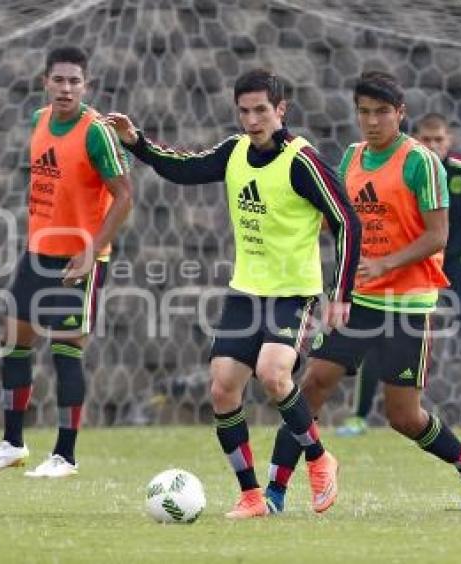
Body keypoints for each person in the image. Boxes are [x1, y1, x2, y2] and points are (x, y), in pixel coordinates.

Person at [106, 69, 361, 518]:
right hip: (245, 293)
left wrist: (341, 291)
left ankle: (320, 460)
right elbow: (183, 168)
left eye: (261, 109)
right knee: (223, 389)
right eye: (244, 111)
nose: (252, 119)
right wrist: (137, 143)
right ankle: (251, 496)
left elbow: (347, 222)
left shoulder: (303, 162)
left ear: (281, 110)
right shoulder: (234, 151)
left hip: (292, 294)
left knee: (273, 373)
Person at [271, 71, 461, 511]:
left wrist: (387, 263)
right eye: (364, 112)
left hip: (406, 304)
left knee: (403, 417)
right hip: (357, 301)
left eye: (382, 113)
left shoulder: (420, 162)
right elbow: (338, 217)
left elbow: (438, 235)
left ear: (400, 114)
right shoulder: (352, 157)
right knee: (312, 383)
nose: (372, 122)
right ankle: (274, 491)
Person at [0, 47, 132, 478]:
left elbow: (125, 195)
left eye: (74, 81)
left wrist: (91, 249)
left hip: (79, 257)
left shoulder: (96, 132)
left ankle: (65, 455)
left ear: (86, 85)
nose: (66, 88)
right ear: (45, 82)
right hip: (37, 250)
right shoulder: (38, 120)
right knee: (14, 339)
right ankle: (12, 443)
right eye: (59, 80)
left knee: (66, 349)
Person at [336, 113, 461, 437]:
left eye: (439, 139)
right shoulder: (406, 169)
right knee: (376, 332)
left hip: (456, 263)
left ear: (449, 140)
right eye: (427, 139)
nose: (433, 145)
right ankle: (359, 415)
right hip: (411, 263)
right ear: (416, 139)